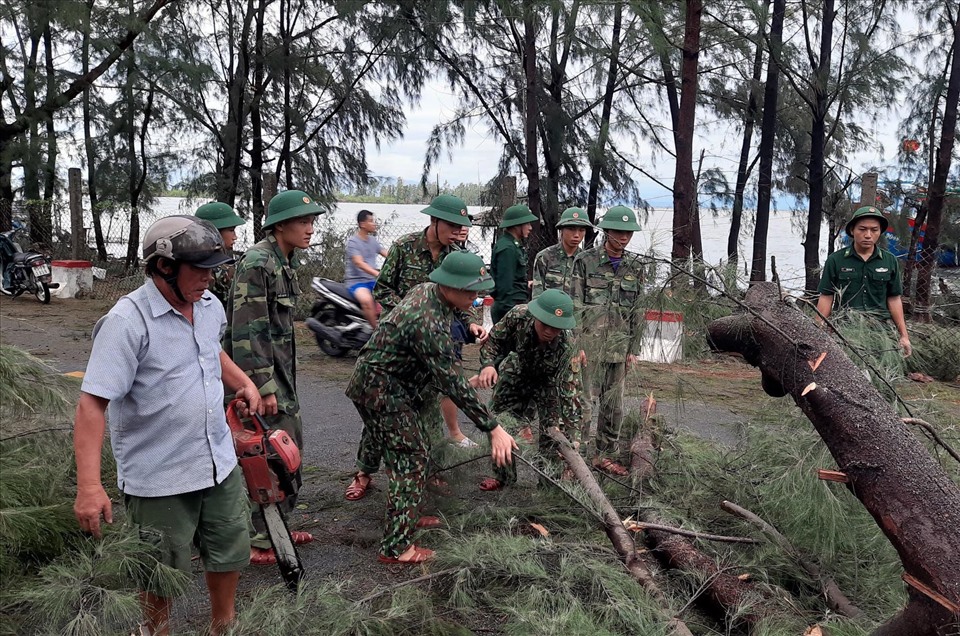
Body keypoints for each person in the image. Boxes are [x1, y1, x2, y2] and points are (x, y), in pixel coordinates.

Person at [72, 216, 264, 636]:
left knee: (229, 550)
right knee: (159, 571)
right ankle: (156, 631)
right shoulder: (127, 322)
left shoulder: (209, 306)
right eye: (199, 269)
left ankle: (223, 626)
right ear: (163, 267)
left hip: (217, 460)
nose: (209, 279)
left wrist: (244, 382)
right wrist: (89, 486)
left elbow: (210, 351)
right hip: (159, 475)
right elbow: (91, 404)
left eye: (214, 269)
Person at [345, 251, 518, 563]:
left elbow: (449, 354)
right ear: (448, 286)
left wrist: (468, 329)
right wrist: (493, 428)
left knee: (412, 453)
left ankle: (405, 515)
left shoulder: (430, 291)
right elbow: (452, 382)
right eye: (469, 291)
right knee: (409, 460)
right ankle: (397, 548)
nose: (475, 297)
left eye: (478, 290)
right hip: (382, 389)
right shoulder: (428, 322)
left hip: (388, 384)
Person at [345, 195, 485, 501]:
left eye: (461, 226)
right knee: (383, 412)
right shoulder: (404, 247)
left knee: (428, 406)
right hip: (399, 346)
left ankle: (428, 472)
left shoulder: (456, 255)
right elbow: (383, 288)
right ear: (433, 221)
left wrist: (470, 321)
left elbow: (459, 298)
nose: (456, 232)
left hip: (436, 344)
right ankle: (363, 472)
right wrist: (407, 315)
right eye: (451, 225)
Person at [223, 189, 322, 563]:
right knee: (267, 456)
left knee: (288, 451)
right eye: (303, 221)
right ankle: (262, 540)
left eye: (312, 221)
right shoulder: (257, 262)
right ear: (280, 225)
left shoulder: (283, 260)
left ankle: (276, 527)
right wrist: (260, 386)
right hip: (264, 379)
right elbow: (248, 329)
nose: (310, 228)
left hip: (281, 374)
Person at [472, 289, 581, 491]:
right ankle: (503, 477)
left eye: (556, 327)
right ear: (536, 316)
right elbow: (494, 339)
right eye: (545, 324)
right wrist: (487, 365)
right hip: (518, 368)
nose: (549, 331)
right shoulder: (519, 315)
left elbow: (571, 396)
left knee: (552, 433)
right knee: (498, 420)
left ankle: (549, 484)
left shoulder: (568, 347)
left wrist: (573, 440)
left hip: (549, 382)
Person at [568, 205, 645, 477]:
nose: (623, 237)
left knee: (614, 407)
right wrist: (575, 345)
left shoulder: (635, 267)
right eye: (617, 232)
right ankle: (576, 459)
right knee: (583, 405)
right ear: (606, 231)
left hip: (619, 349)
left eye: (627, 233)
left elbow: (638, 311)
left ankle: (605, 455)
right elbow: (574, 306)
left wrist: (633, 349)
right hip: (589, 346)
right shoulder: (586, 262)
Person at [817, 206, 912, 357]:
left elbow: (894, 299)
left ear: (880, 232)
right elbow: (826, 296)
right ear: (852, 230)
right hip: (845, 331)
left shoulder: (890, 261)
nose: (868, 235)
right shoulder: (835, 260)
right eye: (862, 229)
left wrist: (904, 336)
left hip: (880, 332)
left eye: (874, 230)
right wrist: (818, 333)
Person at [490, 203, 538, 323]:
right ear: (517, 225)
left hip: (514, 306)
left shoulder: (512, 245)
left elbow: (512, 277)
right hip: (510, 309)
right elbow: (505, 287)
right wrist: (513, 314)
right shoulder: (508, 248)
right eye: (527, 223)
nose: (530, 227)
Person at [532, 206, 594, 298]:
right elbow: (537, 294)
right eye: (571, 229)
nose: (577, 235)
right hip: (549, 310)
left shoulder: (587, 260)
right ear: (561, 230)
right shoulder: (545, 257)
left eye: (581, 230)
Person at [195, 202, 246, 305]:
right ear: (215, 233)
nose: (235, 237)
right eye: (231, 230)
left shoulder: (190, 260)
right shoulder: (224, 269)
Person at [345, 209, 388, 329]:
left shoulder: (373, 241)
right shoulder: (353, 242)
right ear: (362, 224)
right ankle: (376, 333)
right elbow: (359, 263)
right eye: (371, 221)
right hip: (357, 283)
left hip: (373, 281)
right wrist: (376, 273)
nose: (374, 224)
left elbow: (387, 254)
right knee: (368, 301)